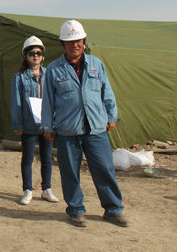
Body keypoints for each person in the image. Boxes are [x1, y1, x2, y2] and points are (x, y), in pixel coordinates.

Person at [41, 20, 130, 228]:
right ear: (63, 44)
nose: (75, 45)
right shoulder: (54, 69)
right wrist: (47, 126)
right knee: (70, 172)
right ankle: (76, 210)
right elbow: (48, 101)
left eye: (78, 40)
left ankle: (113, 210)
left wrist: (111, 115)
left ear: (84, 41)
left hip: (96, 127)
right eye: (70, 41)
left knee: (104, 169)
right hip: (67, 129)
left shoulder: (96, 64)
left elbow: (107, 91)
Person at [10, 36, 59, 205]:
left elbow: (55, 99)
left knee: (46, 158)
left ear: (43, 56)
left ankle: (47, 189)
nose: (36, 56)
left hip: (46, 124)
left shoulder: (49, 75)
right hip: (28, 124)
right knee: (28, 158)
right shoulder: (19, 77)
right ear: (26, 55)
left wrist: (54, 122)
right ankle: (27, 190)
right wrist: (18, 124)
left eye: (39, 53)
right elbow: (16, 102)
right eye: (32, 53)